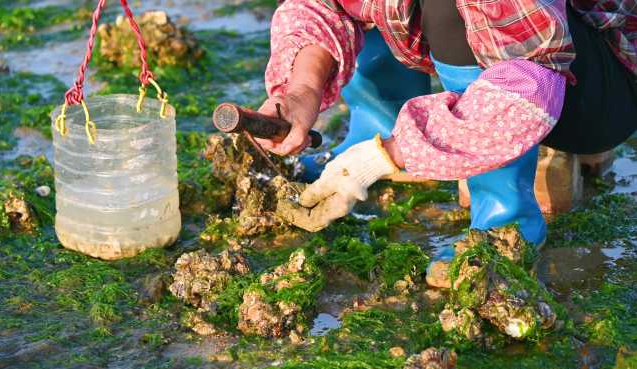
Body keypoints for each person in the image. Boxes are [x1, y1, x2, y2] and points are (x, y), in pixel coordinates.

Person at [256, 0, 637, 256]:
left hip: (589, 83)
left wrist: (382, 156)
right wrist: (302, 89)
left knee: (447, 9)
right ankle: (380, 122)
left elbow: (528, 86)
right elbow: (323, 6)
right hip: (524, 62)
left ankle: (504, 218)